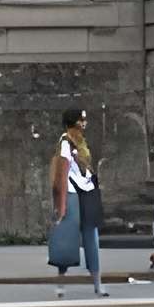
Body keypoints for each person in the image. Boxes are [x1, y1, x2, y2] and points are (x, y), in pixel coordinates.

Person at [49, 109, 104, 294]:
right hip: (72, 194)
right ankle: (61, 285)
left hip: (87, 192)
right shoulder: (65, 142)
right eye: (81, 120)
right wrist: (61, 205)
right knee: (66, 240)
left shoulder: (81, 142)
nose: (84, 123)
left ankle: (97, 283)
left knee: (91, 238)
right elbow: (62, 173)